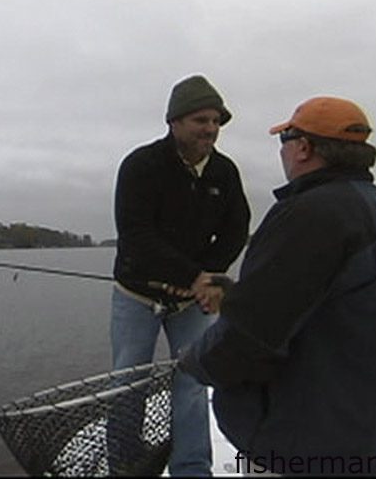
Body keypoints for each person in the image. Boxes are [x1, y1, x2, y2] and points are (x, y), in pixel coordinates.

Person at [179, 96, 376, 476]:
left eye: (284, 141)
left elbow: (249, 337)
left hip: (312, 446)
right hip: (366, 436)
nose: (283, 153)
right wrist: (238, 294)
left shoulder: (313, 213)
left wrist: (194, 360)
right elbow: (313, 302)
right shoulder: (371, 207)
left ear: (303, 147)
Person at [109, 74, 251, 476]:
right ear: (174, 122)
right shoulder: (141, 165)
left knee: (191, 384)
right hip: (135, 294)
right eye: (200, 120)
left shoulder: (225, 172)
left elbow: (236, 228)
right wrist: (193, 275)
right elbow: (136, 235)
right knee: (126, 383)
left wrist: (208, 277)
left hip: (194, 301)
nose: (210, 129)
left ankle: (192, 468)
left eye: (216, 122)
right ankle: (124, 465)